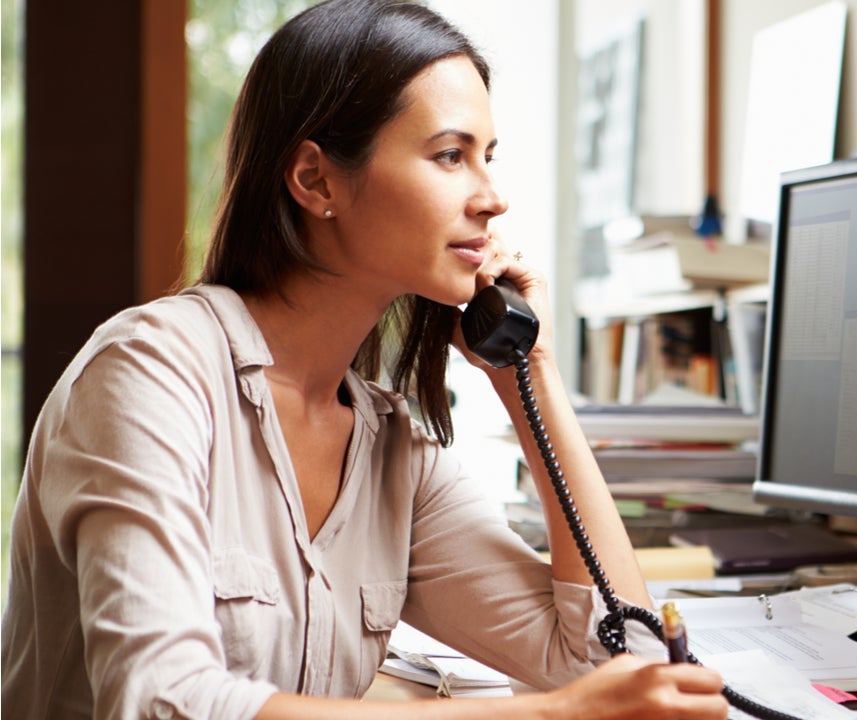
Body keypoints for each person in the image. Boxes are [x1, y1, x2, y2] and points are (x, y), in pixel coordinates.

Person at [0, 1, 730, 718]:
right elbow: (163, 700)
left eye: (488, 158)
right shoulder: (148, 375)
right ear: (316, 181)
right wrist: (553, 715)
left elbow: (621, 662)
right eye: (450, 155)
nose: (493, 199)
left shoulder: (390, 455)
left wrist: (530, 374)